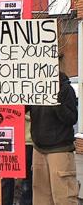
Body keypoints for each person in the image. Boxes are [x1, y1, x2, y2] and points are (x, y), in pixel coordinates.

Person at [29, 71, 78, 205]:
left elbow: (71, 118)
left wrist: (55, 101)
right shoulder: (34, 87)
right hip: (39, 149)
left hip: (60, 149)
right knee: (41, 197)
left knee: (64, 197)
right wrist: (0, 99)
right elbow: (21, 107)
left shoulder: (65, 89)